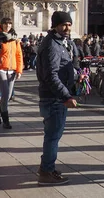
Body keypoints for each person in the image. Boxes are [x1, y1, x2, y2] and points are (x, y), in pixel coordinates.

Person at [36, 11, 86, 185]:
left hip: (55, 97)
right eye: (64, 24)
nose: (67, 28)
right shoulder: (51, 45)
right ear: (55, 25)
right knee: (52, 136)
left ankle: (47, 168)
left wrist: (76, 75)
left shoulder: (61, 43)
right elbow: (50, 75)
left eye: (69, 24)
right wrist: (66, 96)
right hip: (54, 98)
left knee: (52, 135)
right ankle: (46, 172)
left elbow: (65, 66)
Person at [0, 17, 23, 130]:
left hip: (12, 69)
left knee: (7, 96)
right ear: (1, 25)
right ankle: (6, 120)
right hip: (0, 69)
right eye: (5, 24)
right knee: (6, 94)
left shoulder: (15, 38)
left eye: (9, 24)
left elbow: (19, 55)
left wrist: (19, 70)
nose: (7, 26)